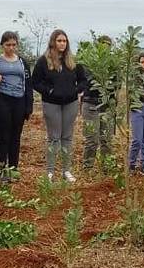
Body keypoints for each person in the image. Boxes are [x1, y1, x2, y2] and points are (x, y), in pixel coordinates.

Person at [32, 29, 89, 182]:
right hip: (51, 104)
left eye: (64, 41)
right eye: (59, 41)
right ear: (53, 42)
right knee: (53, 137)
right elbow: (35, 82)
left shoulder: (73, 61)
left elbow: (83, 80)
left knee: (67, 137)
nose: (62, 43)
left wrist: (75, 90)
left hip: (70, 103)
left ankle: (66, 171)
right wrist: (49, 91)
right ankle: (50, 171)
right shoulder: (44, 61)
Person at [0, 32, 34, 181]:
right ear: (2, 45)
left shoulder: (22, 62)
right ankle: (2, 171)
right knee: (3, 136)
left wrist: (29, 105)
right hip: (2, 99)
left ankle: (14, 169)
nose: (11, 48)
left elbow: (28, 84)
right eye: (8, 45)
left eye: (13, 45)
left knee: (15, 137)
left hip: (19, 101)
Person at [81, 35, 115, 171]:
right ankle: (87, 168)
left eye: (108, 45)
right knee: (92, 139)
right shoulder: (90, 62)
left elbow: (116, 85)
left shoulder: (112, 64)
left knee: (106, 139)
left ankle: (107, 167)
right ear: (98, 45)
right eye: (103, 44)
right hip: (91, 104)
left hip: (107, 106)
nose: (106, 47)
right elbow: (87, 82)